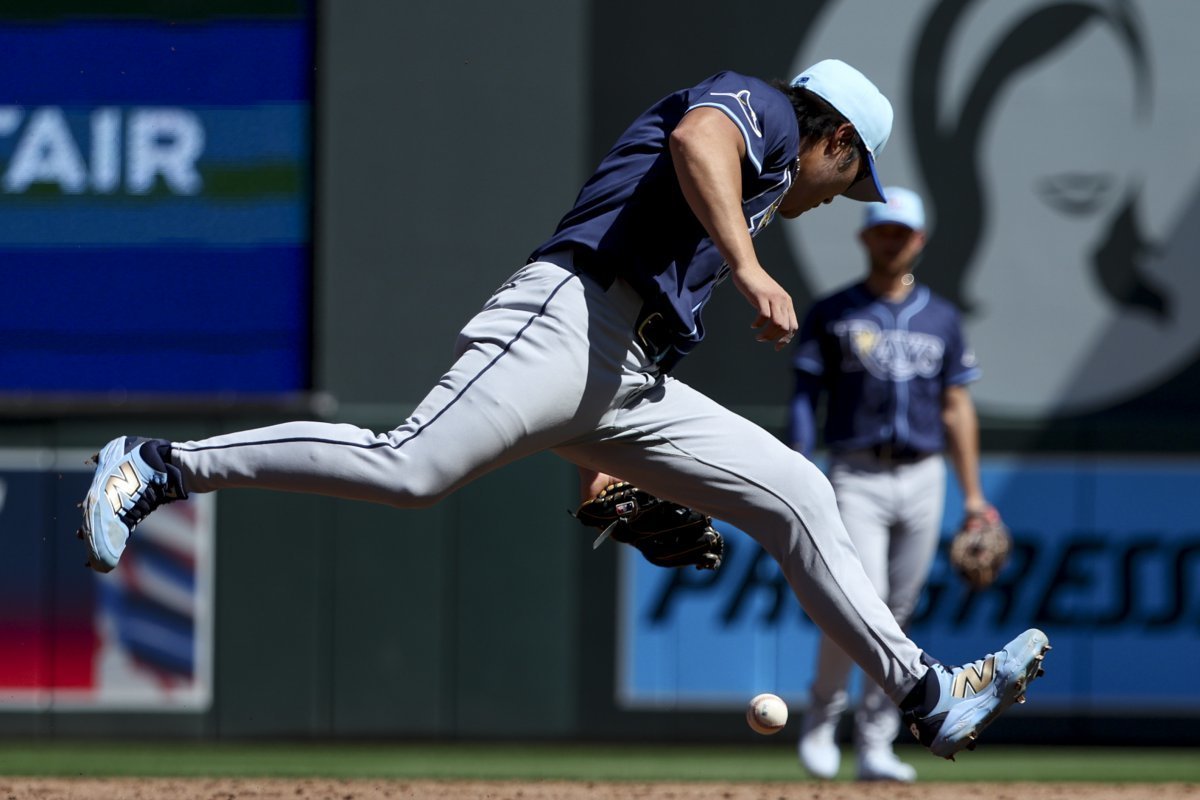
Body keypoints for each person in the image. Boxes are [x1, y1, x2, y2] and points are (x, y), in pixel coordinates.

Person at [78, 60, 1048, 761]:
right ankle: (162, 463)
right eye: (853, 174)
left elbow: (608, 383)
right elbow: (696, 137)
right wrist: (751, 268)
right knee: (408, 467)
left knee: (798, 492)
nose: (844, 196)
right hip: (570, 313)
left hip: (626, 365)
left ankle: (928, 693)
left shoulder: (757, 190)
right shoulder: (762, 109)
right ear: (835, 137)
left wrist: (601, 485)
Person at [789, 187, 993, 781]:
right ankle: (823, 716)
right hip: (856, 470)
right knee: (860, 598)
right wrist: (799, 463)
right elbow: (805, 396)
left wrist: (974, 496)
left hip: (924, 473)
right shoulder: (834, 311)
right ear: (865, 237)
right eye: (883, 230)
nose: (892, 241)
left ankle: (876, 743)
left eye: (901, 232)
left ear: (919, 240)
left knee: (899, 610)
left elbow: (957, 408)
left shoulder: (941, 317)